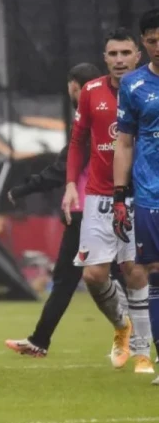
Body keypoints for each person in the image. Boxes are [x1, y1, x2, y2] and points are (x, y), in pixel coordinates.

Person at [60, 28, 152, 373]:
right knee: (94, 275)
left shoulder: (148, 91)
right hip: (98, 195)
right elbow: (77, 140)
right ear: (104, 58)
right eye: (112, 54)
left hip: (139, 193)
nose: (119, 60)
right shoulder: (92, 93)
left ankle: (143, 352)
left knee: (135, 270)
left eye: (125, 53)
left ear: (137, 55)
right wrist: (71, 184)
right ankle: (121, 325)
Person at [5, 63, 103, 357]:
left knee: (84, 279)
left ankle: (132, 336)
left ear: (74, 85)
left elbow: (63, 168)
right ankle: (40, 340)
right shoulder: (101, 113)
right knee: (90, 278)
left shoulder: (90, 118)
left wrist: (24, 188)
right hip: (98, 206)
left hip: (90, 208)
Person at [114, 8, 159, 385]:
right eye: (153, 40)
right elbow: (124, 142)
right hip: (149, 194)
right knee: (153, 273)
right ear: (144, 44)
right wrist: (118, 194)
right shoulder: (132, 86)